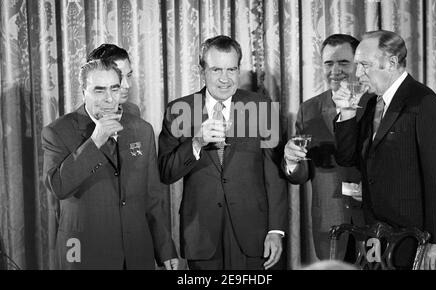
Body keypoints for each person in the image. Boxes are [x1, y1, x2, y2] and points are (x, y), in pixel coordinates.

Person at [158, 35, 288, 270]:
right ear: (202, 70)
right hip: (202, 236)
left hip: (256, 237)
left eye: (232, 69)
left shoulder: (263, 107)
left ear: (239, 70)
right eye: (217, 69)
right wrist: (196, 142)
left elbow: (275, 175)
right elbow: (166, 172)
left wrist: (275, 230)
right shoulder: (179, 110)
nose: (225, 79)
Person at [42, 59, 178, 269]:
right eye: (99, 90)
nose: (108, 98)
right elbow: (59, 187)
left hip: (136, 254)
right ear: (83, 91)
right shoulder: (57, 132)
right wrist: (95, 141)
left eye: (114, 89)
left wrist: (165, 248)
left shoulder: (142, 130)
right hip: (84, 254)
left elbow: (152, 197)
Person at [333, 30, 436, 269]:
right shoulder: (369, 103)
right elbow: (348, 158)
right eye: (357, 65)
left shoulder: (424, 103)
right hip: (376, 236)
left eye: (365, 64)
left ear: (392, 62)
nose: (357, 73)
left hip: (415, 239)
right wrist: (346, 113)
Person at [282, 34, 369, 261]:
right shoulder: (308, 109)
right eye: (329, 63)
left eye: (343, 62)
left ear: (358, 64)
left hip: (373, 221)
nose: (335, 70)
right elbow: (301, 176)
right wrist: (292, 161)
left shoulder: (376, 103)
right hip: (329, 222)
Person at [87, 43, 140, 117]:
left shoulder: (132, 111)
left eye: (128, 75)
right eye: (119, 77)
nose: (127, 85)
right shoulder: (70, 125)